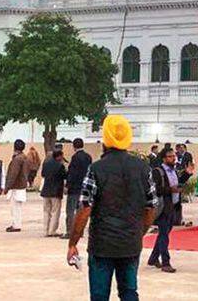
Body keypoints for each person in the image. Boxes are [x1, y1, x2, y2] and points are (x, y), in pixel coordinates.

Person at [67, 115, 157, 301]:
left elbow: (84, 209)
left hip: (102, 245)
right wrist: (138, 233)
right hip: (130, 243)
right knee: (129, 292)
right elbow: (150, 208)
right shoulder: (144, 168)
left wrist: (73, 242)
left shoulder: (96, 168)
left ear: (105, 139)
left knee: (99, 295)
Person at [148, 147, 195, 272]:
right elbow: (156, 189)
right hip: (163, 207)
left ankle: (153, 258)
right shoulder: (158, 172)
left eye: (173, 156)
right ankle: (165, 263)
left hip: (173, 207)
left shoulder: (173, 171)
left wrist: (187, 174)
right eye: (170, 156)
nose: (173, 158)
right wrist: (171, 190)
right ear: (164, 158)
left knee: (164, 234)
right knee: (164, 235)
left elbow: (178, 182)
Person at [64, 137, 93, 239]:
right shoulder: (88, 157)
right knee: (81, 211)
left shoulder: (75, 158)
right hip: (85, 188)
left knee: (71, 211)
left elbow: (72, 173)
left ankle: (70, 232)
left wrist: (67, 185)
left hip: (75, 188)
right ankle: (80, 232)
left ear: (74, 146)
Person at [41, 149, 68, 237]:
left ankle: (45, 230)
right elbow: (65, 176)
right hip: (56, 191)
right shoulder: (60, 165)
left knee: (46, 211)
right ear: (59, 156)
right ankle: (52, 231)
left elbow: (43, 174)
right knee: (55, 211)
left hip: (46, 191)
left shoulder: (46, 163)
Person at [4, 139, 28, 232]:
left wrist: (7, 187)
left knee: (15, 207)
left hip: (16, 186)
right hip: (22, 184)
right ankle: (16, 224)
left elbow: (13, 174)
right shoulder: (25, 157)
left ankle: (16, 225)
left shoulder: (17, 159)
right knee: (18, 207)